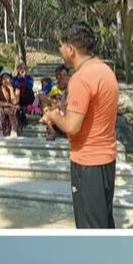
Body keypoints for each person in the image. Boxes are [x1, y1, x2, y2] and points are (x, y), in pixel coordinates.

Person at [41, 21, 120, 228]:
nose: (60, 51)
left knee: (90, 228)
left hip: (87, 164)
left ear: (70, 49)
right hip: (106, 159)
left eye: (61, 46)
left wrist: (52, 115)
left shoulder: (81, 78)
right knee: (104, 222)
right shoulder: (105, 71)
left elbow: (72, 126)